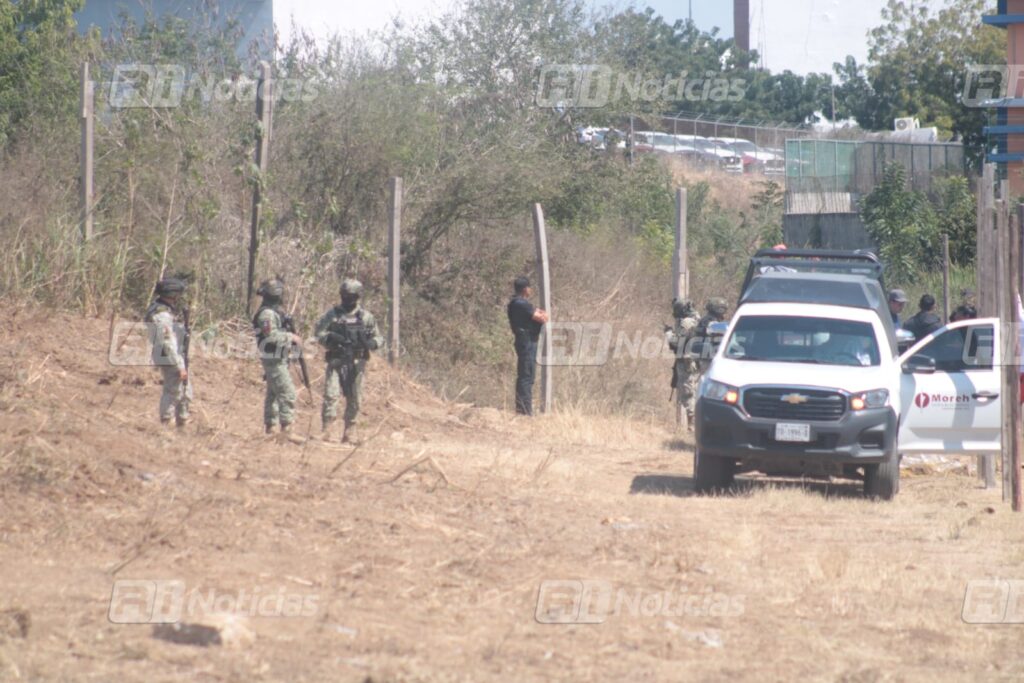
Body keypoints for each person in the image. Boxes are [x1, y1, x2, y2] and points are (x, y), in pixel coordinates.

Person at [314, 279, 383, 443]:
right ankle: (326, 430)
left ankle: (349, 432)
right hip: (336, 359)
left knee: (355, 397)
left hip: (357, 362)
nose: (347, 299)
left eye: (351, 296)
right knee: (331, 394)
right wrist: (330, 338)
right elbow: (318, 333)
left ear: (358, 296)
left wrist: (371, 343)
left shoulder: (366, 317)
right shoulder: (333, 314)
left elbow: (379, 338)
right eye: (344, 295)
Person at [253, 278, 302, 436]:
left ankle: (271, 428)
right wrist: (291, 337)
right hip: (273, 359)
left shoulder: (274, 312)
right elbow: (271, 336)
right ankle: (286, 428)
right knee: (287, 392)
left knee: (273, 394)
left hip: (278, 357)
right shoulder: (267, 314)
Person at [145, 277, 191, 427]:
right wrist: (180, 366)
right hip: (170, 356)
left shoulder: (160, 309)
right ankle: (167, 423)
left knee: (184, 391)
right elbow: (167, 343)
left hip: (171, 354)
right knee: (173, 391)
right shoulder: (162, 315)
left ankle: (182, 422)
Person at [507, 276, 549, 416]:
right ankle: (524, 410)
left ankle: (523, 408)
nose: (530, 290)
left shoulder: (519, 303)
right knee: (526, 375)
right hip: (526, 341)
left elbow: (538, 314)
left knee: (527, 375)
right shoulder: (521, 304)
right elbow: (542, 317)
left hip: (527, 341)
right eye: (529, 287)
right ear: (525, 289)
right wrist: (543, 314)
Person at [667, 298, 701, 428]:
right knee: (692, 390)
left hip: (687, 362)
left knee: (687, 393)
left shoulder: (687, 322)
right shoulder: (697, 318)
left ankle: (692, 425)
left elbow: (676, 342)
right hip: (694, 361)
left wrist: (668, 333)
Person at [696, 298, 730, 372]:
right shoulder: (707, 320)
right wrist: (734, 325)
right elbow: (715, 328)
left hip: (715, 356)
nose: (724, 311)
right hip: (707, 359)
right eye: (721, 308)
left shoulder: (716, 319)